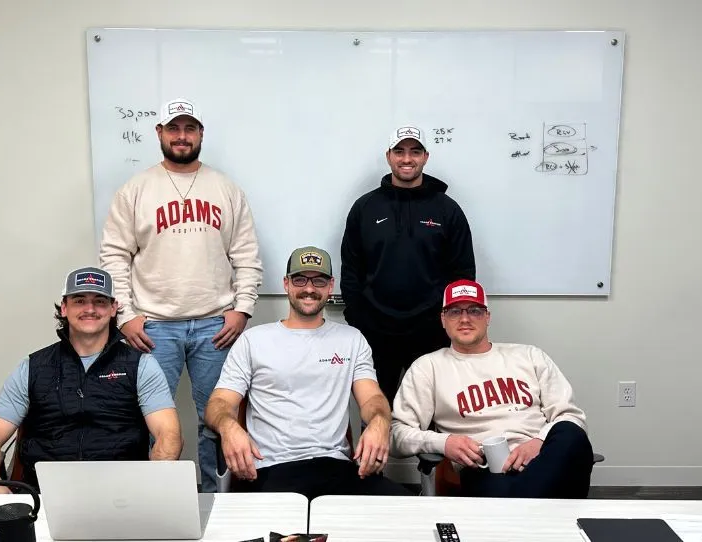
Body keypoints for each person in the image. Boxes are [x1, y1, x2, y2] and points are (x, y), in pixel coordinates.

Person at [99, 98, 263, 491]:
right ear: (159, 133)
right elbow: (114, 256)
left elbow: (246, 253)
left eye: (190, 128)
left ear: (201, 133)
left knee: (218, 420)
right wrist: (126, 317)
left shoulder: (225, 188)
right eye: (174, 128)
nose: (182, 136)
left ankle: (216, 497)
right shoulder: (135, 189)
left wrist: (242, 309)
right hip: (153, 326)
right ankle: (154, 498)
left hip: (215, 324)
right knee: (152, 420)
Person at [204, 246, 410, 500]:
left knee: (411, 515)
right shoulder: (253, 340)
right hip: (271, 470)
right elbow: (219, 403)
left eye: (319, 280)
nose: (309, 289)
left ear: (331, 285)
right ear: (286, 284)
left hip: (335, 467)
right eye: (300, 280)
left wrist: (380, 421)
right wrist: (229, 427)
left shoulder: (351, 339)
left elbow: (372, 399)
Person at [0, 267, 182, 493]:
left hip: (122, 496)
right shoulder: (32, 367)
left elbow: (169, 434)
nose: (90, 309)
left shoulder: (142, 365)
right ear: (64, 308)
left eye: (100, 301)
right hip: (42, 495)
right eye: (80, 301)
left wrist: (155, 486)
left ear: (113, 308)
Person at [391, 279, 594, 498]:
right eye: (454, 311)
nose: (465, 319)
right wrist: (444, 442)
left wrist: (538, 442)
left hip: (544, 458)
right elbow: (396, 435)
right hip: (486, 469)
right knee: (512, 491)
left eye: (475, 311)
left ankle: (524, 510)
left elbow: (571, 416)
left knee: (571, 434)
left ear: (488, 317)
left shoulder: (529, 356)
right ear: (443, 319)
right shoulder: (428, 367)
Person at [340, 125, 475, 405]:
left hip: (431, 333)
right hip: (376, 333)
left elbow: (463, 275)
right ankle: (377, 452)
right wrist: (359, 319)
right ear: (388, 156)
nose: (406, 159)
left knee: (432, 414)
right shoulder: (365, 208)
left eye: (414, 152)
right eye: (399, 151)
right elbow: (351, 270)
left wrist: (449, 321)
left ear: (426, 156)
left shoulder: (447, 210)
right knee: (376, 413)